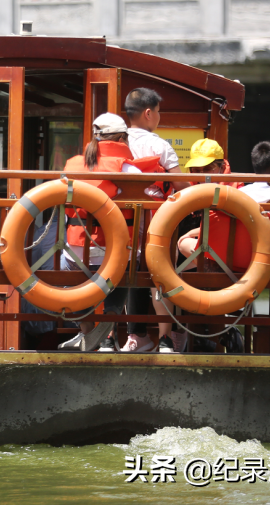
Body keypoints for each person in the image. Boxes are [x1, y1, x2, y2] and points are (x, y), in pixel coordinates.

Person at [58, 113, 144, 352]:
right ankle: (109, 323)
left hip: (76, 252)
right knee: (127, 265)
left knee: (74, 279)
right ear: (122, 138)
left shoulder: (71, 164)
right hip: (115, 253)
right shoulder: (128, 169)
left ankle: (87, 332)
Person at [122, 88, 189, 353]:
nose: (159, 117)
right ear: (149, 113)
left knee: (128, 273)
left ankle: (132, 337)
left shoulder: (115, 142)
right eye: (158, 112)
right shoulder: (159, 145)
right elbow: (181, 185)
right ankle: (165, 338)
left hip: (121, 224)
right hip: (155, 223)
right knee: (161, 276)